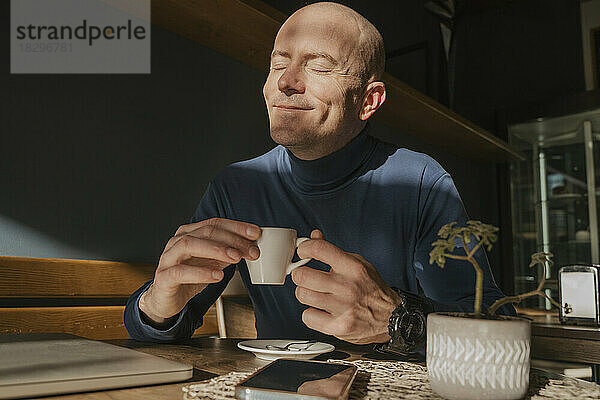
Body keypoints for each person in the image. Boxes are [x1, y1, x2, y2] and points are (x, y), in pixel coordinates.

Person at [124, 2, 513, 351]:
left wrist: (397, 320)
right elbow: (160, 329)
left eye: (319, 66)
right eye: (278, 63)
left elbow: (497, 329)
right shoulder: (237, 185)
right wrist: (159, 303)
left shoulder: (421, 183)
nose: (285, 81)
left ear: (368, 100)